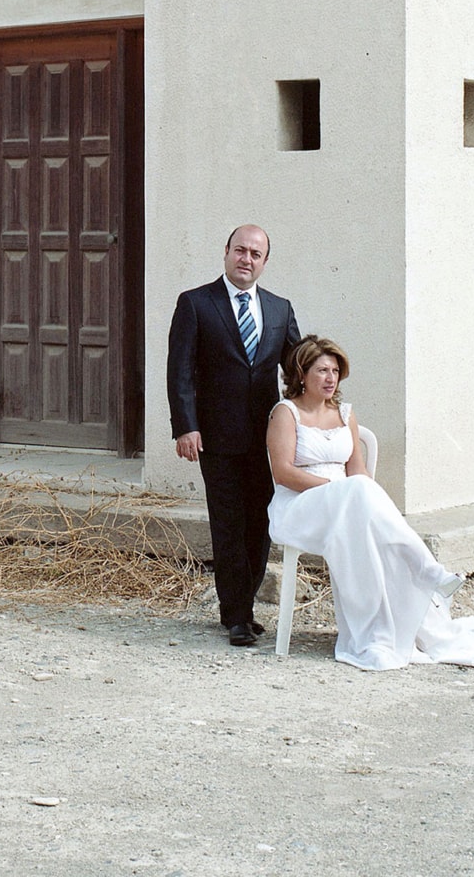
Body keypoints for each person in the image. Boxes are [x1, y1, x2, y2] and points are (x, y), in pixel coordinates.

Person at [266, 338, 474, 671]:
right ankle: (426, 568)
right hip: (301, 507)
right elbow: (283, 473)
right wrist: (338, 490)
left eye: (335, 370)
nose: (331, 377)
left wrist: (351, 492)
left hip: (347, 506)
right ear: (302, 373)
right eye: (322, 370)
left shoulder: (344, 414)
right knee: (357, 491)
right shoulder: (286, 413)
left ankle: (388, 624)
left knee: (361, 491)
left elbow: (359, 472)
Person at [167, 224, 302, 647]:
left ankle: (245, 605)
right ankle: (237, 616)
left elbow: (297, 367)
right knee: (228, 523)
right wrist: (186, 425)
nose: (246, 259)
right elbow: (181, 371)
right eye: (239, 250)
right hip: (216, 436)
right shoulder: (195, 304)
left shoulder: (280, 309)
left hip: (268, 440)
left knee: (260, 522)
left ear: (264, 262)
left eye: (255, 254)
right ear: (226, 253)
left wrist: (319, 413)